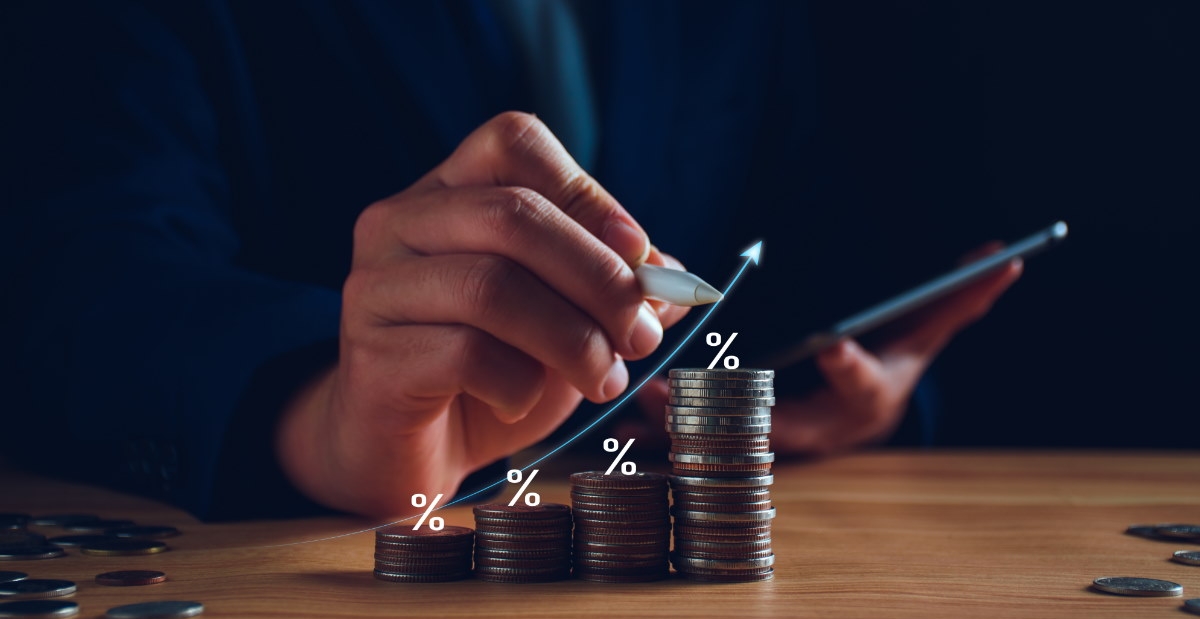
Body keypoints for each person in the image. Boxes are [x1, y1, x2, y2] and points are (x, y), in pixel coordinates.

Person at [2, 1, 1018, 520]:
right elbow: (75, 265)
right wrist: (320, 415)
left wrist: (871, 388)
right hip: (317, 533)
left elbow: (798, 230)